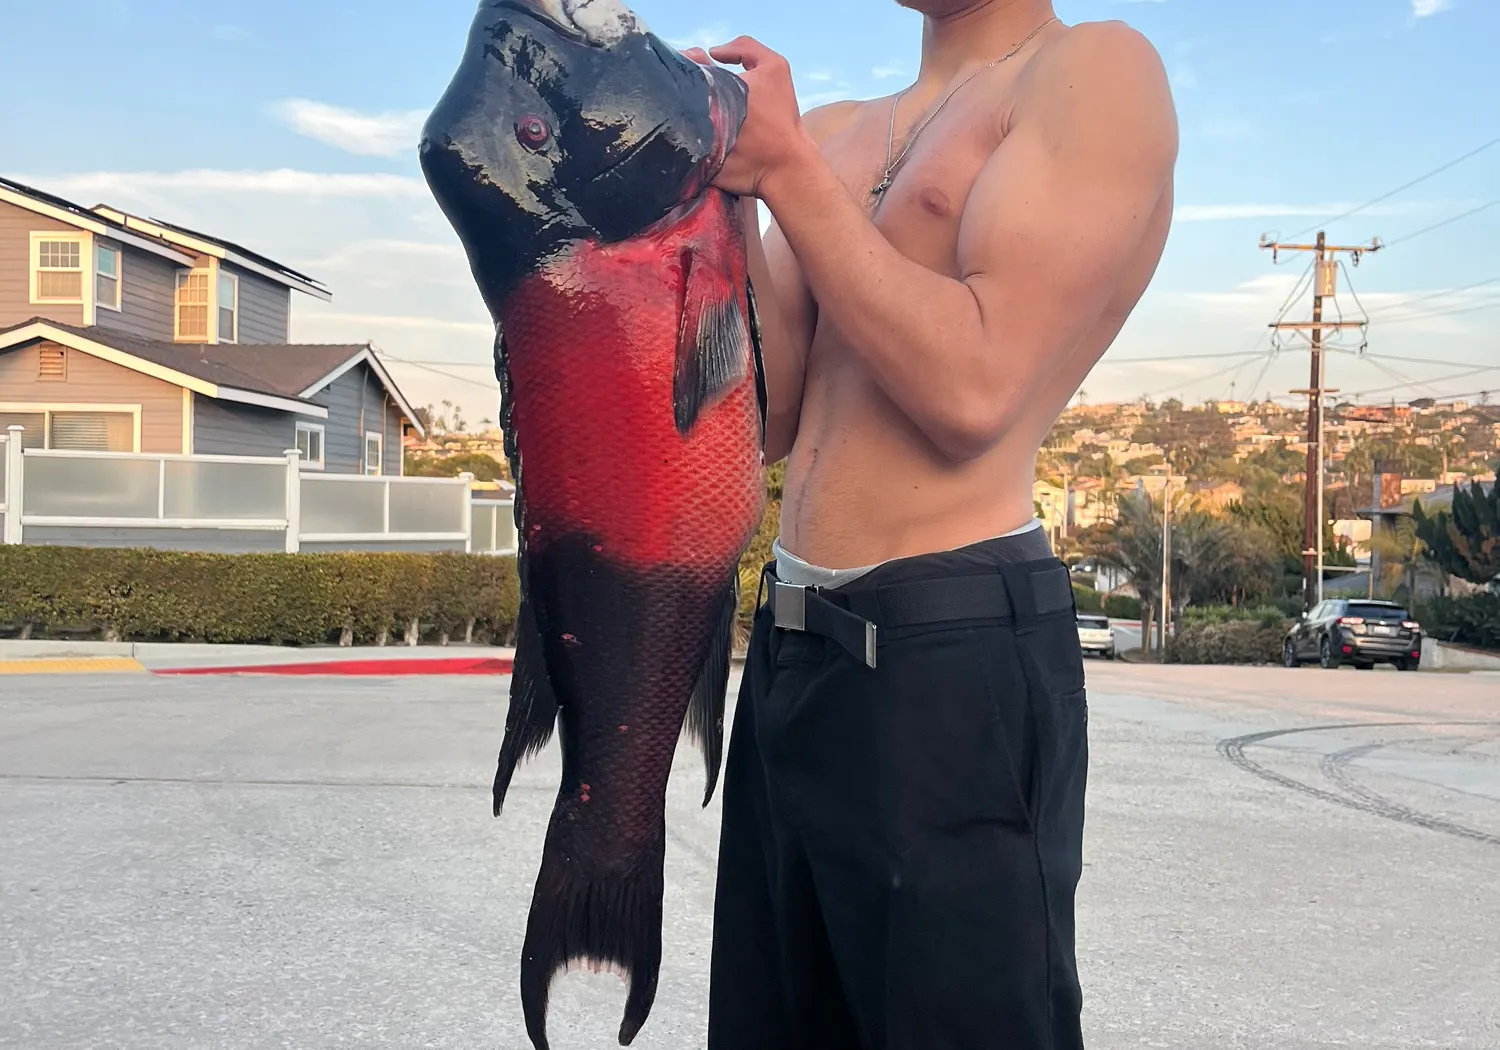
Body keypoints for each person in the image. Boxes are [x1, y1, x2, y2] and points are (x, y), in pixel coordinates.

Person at [686, 1, 1177, 1047]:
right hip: (790, 639)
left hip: (951, 643)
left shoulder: (1093, 73)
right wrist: (714, 197)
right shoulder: (829, 128)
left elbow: (973, 389)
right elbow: (762, 420)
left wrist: (784, 175)